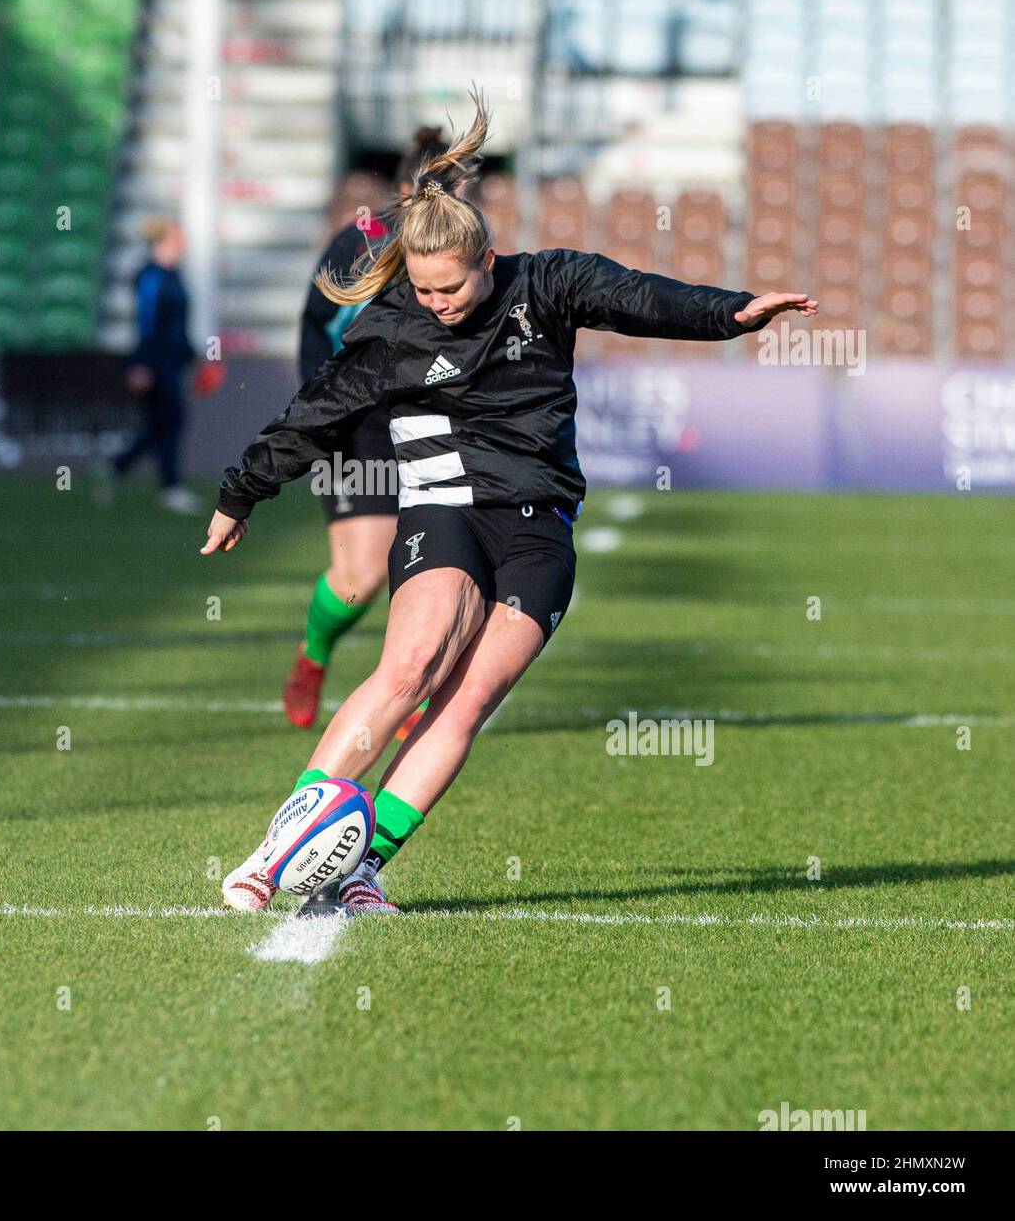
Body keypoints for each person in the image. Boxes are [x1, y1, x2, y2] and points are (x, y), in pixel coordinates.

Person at [201, 91, 816, 915]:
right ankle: (273, 858)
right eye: (422, 290)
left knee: (466, 703)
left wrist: (730, 313)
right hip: (444, 507)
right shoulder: (390, 330)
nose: (438, 303)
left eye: (450, 287)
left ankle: (361, 870)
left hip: (540, 527)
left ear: (488, 260)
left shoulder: (548, 284)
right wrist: (241, 493)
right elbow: (314, 415)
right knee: (411, 666)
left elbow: (638, 295)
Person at [283, 126, 447, 732]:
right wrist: (319, 407)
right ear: (405, 190)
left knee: (441, 562)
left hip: (434, 421)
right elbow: (313, 327)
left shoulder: (467, 247)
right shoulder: (361, 241)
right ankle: (313, 656)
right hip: (360, 418)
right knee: (360, 578)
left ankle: (407, 683)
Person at [108, 217, 199, 513]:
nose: (184, 242)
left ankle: (115, 468)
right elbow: (146, 322)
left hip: (172, 361)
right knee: (169, 423)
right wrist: (142, 364)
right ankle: (169, 487)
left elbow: (177, 326)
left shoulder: (173, 275)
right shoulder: (151, 276)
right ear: (163, 240)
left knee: (161, 425)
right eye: (178, 236)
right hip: (155, 363)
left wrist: (192, 355)